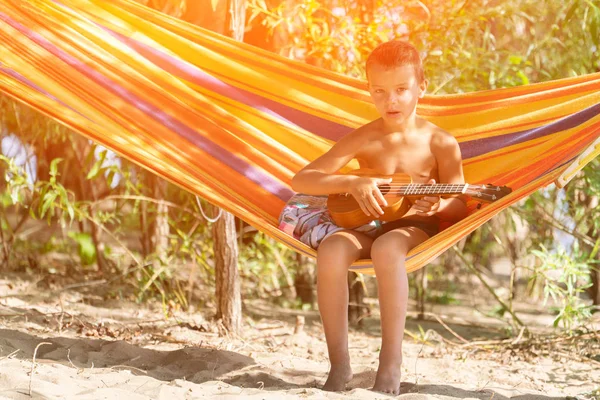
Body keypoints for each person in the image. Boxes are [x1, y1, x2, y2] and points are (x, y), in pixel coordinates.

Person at [281, 40, 468, 395]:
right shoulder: (365, 137)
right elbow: (301, 179)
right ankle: (339, 365)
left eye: (401, 89)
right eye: (380, 91)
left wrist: (438, 206)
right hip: (364, 224)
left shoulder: (440, 143)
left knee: (387, 249)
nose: (391, 100)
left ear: (421, 88)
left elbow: (461, 204)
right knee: (332, 250)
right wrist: (353, 181)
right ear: (368, 89)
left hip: (413, 227)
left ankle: (390, 363)